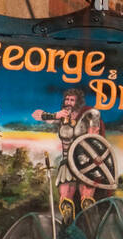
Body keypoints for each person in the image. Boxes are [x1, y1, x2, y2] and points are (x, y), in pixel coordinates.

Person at [32, 87, 106, 224]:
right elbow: (36, 114)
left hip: (86, 162)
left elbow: (93, 137)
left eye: (72, 100)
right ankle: (68, 229)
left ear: (78, 102)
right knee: (65, 202)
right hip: (67, 162)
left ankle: (89, 227)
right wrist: (55, 116)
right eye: (67, 99)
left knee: (87, 202)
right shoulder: (61, 117)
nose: (68, 102)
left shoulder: (88, 116)